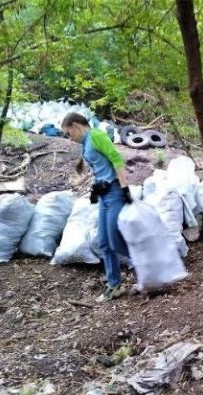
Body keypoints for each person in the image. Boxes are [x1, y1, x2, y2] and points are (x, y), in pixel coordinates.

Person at [61, 113, 132, 303]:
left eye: (68, 133)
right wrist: (94, 186)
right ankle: (114, 285)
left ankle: (147, 262)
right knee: (103, 241)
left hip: (116, 191)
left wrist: (125, 188)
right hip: (104, 193)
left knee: (114, 238)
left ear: (75, 125)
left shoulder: (97, 136)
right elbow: (99, 168)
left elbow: (116, 159)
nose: (70, 138)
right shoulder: (85, 143)